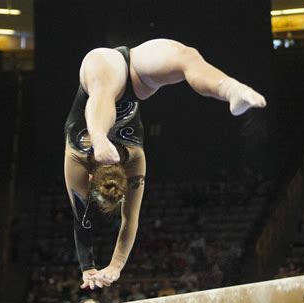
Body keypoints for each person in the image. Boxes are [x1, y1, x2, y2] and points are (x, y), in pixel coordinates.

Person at [64, 39, 266, 290]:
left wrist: (90, 267)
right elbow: (125, 220)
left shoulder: (77, 157)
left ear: (91, 178)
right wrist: (110, 267)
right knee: (186, 57)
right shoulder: (134, 159)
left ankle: (98, 134)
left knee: (102, 87)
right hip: (135, 77)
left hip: (104, 66)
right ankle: (231, 89)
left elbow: (92, 221)